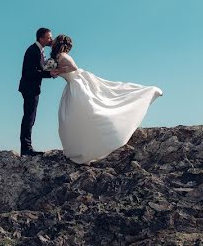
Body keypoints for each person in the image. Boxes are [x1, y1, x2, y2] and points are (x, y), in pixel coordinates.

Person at [50, 34, 162, 164]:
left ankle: (149, 92)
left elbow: (73, 67)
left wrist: (58, 70)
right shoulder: (57, 57)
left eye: (54, 41)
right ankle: (82, 149)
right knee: (72, 118)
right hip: (71, 86)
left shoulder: (62, 56)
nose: (52, 42)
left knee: (91, 111)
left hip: (77, 85)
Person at [17, 27, 58, 156]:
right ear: (41, 38)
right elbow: (30, 72)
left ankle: (27, 147)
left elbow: (41, 68)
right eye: (49, 37)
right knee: (29, 117)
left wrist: (52, 65)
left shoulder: (40, 50)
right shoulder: (33, 50)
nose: (51, 39)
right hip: (29, 88)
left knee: (31, 117)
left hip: (32, 88)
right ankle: (26, 148)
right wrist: (49, 74)